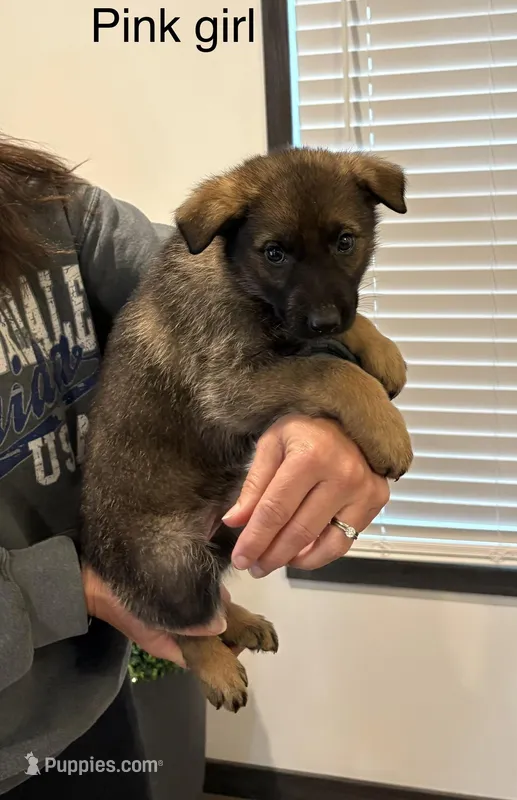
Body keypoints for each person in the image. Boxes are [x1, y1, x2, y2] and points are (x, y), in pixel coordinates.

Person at [0, 135, 390, 797]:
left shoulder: (35, 204)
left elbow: (211, 280)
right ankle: (194, 629)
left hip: (88, 702)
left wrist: (327, 399)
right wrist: (92, 588)